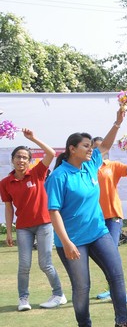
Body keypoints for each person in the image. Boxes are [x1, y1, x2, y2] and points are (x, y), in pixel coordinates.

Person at [45, 109, 127, 327]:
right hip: (72, 241)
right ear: (72, 149)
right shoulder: (59, 176)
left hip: (99, 233)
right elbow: (53, 212)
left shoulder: (90, 166)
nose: (91, 150)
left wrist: (117, 123)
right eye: (86, 146)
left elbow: (106, 146)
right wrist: (67, 243)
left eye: (91, 146)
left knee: (116, 276)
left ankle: (122, 324)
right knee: (82, 286)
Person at [1, 129, 67, 311]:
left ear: (30, 161)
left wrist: (33, 138)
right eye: (18, 157)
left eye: (25, 157)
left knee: (45, 263)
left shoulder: (37, 173)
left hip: (44, 224)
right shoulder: (5, 183)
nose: (21, 160)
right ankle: (23, 299)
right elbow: (8, 208)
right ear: (12, 160)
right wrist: (9, 232)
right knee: (24, 265)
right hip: (23, 228)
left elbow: (51, 153)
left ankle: (58, 294)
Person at [92, 136, 127, 300]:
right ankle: (112, 288)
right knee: (102, 255)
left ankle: (120, 292)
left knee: (112, 253)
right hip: (95, 217)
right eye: (96, 148)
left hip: (113, 215)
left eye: (103, 147)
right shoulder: (87, 168)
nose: (100, 150)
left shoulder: (113, 166)